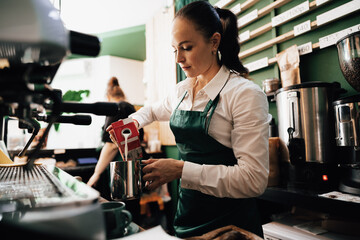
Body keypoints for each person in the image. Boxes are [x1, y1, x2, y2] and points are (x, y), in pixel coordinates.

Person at [108, 1, 271, 238]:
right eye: (174, 49)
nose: (178, 58)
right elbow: (152, 111)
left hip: (231, 227)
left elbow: (253, 180)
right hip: (187, 218)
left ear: (214, 42)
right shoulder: (182, 91)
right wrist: (132, 122)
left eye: (186, 47)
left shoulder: (243, 94)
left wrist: (181, 169)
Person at [87, 77, 143, 221]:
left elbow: (112, 145)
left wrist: (96, 173)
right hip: (130, 168)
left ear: (107, 97)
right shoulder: (129, 108)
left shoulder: (117, 108)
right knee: (131, 213)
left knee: (121, 215)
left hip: (120, 171)